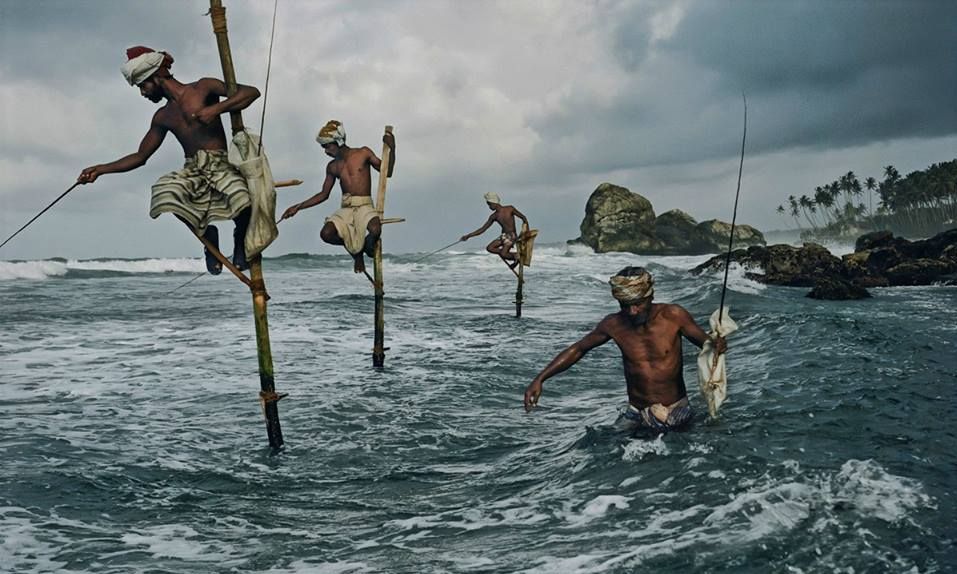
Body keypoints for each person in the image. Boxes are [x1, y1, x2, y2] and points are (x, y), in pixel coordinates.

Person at [77, 46, 261, 275]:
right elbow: (140, 156)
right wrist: (101, 169)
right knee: (164, 192)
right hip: (193, 169)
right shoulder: (162, 116)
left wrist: (216, 109)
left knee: (242, 198)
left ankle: (239, 240)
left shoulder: (203, 87)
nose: (143, 93)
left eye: (143, 86)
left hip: (221, 164)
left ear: (156, 77)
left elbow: (251, 92)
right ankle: (208, 239)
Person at [523, 266, 727, 433]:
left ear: (650, 295)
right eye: (625, 305)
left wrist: (717, 344)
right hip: (636, 412)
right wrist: (540, 379)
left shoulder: (673, 316)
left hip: (676, 410)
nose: (632, 311)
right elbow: (578, 349)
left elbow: (707, 344)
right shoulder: (613, 324)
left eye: (637, 304)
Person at [280, 120, 396, 274]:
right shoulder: (332, 166)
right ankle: (357, 253)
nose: (326, 151)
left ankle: (365, 248)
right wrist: (298, 207)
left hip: (364, 205)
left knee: (375, 230)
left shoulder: (363, 153)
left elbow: (387, 172)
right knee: (326, 234)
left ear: (339, 141)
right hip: (346, 208)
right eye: (323, 147)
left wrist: (392, 148)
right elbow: (323, 194)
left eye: (327, 146)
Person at [460, 193, 529, 268]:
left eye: (489, 204)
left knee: (503, 254)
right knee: (490, 248)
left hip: (511, 236)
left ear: (494, 202)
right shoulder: (494, 216)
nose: (489, 207)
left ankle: (515, 256)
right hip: (503, 236)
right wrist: (468, 236)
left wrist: (526, 231)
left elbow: (523, 218)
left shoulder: (510, 208)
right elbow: (482, 229)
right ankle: (514, 256)